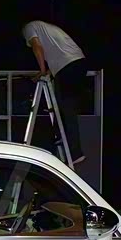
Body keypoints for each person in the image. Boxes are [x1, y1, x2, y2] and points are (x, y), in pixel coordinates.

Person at [22, 20, 90, 167]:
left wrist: (42, 71)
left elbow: (37, 46)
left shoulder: (29, 28)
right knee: (65, 105)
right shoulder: (46, 28)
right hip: (78, 62)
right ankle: (60, 136)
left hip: (67, 66)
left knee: (67, 107)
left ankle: (75, 152)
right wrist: (47, 71)